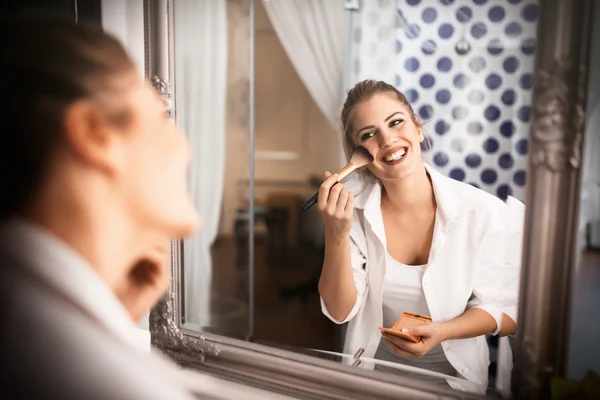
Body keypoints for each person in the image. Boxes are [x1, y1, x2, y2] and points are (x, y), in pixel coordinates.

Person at [0, 14, 200, 399]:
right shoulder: (107, 383)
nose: (185, 148)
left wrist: (111, 319)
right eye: (161, 117)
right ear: (95, 133)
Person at [317, 80, 522, 390]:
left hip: (456, 383)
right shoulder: (354, 214)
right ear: (358, 152)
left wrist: (444, 331)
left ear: (417, 128)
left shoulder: (483, 212)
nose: (387, 139)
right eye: (369, 134)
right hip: (371, 379)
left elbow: (509, 312)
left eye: (396, 122)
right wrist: (336, 233)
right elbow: (339, 311)